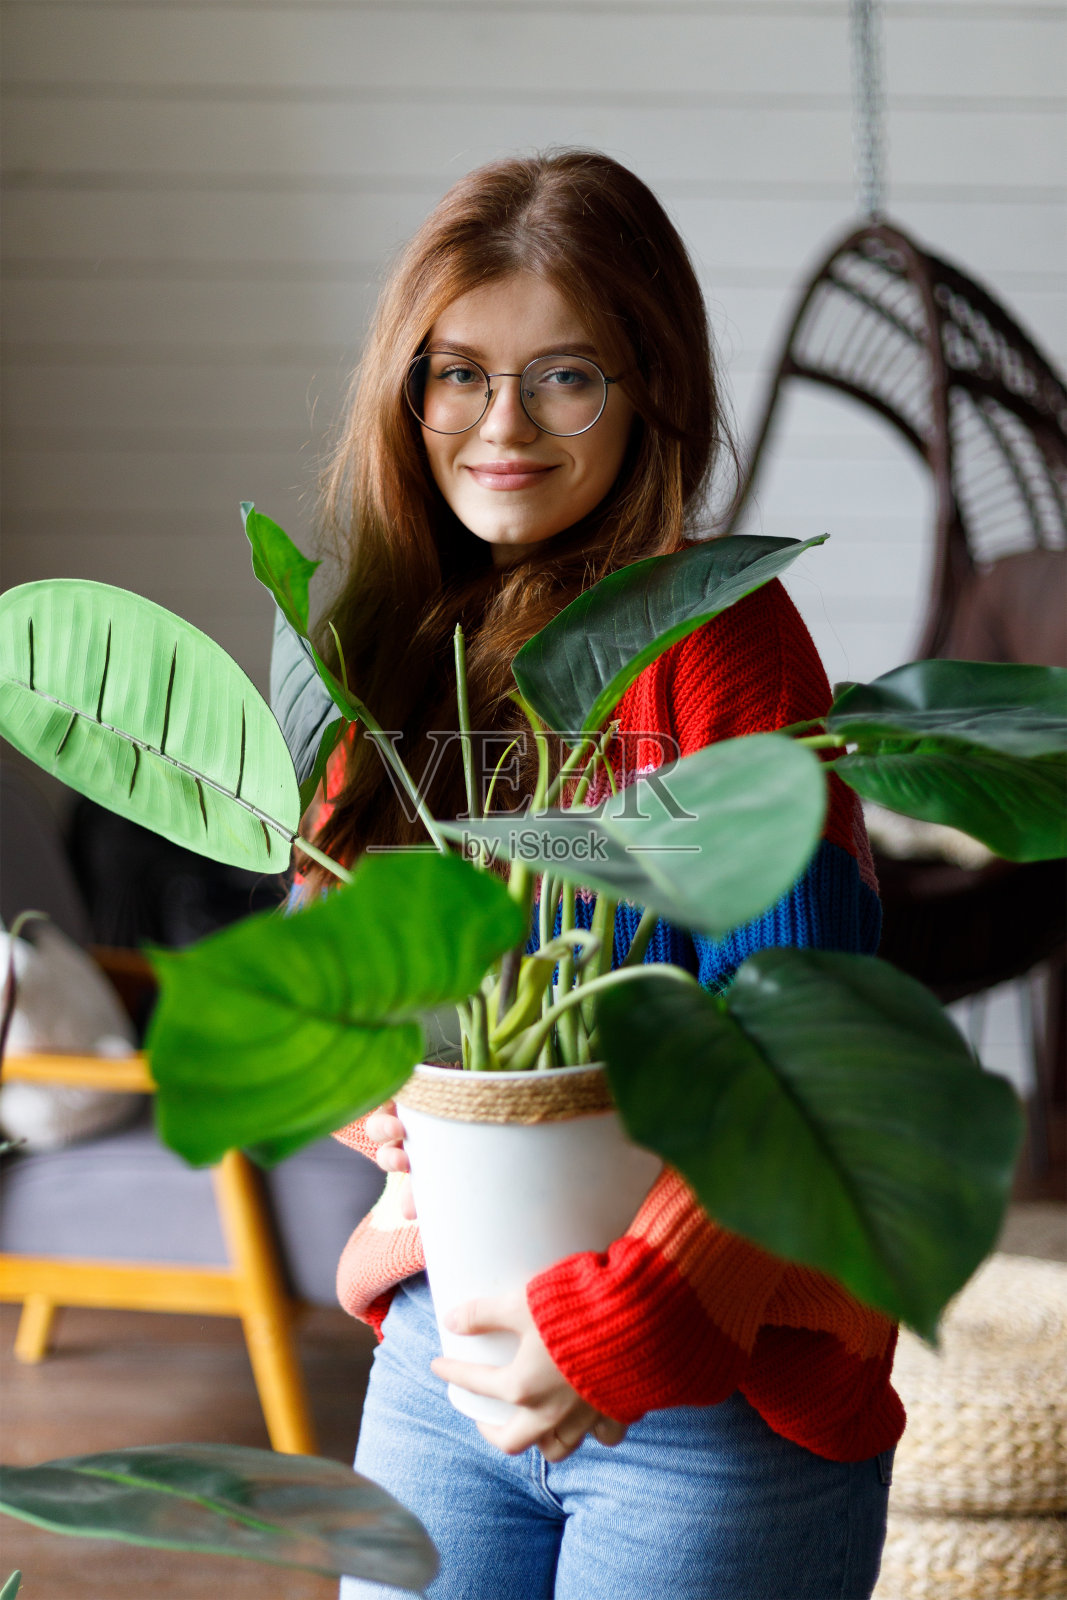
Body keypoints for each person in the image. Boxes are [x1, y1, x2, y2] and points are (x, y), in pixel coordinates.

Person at [295, 150, 903, 1600]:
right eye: (459, 374)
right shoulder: (387, 652)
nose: (501, 424)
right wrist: (383, 1101)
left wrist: (617, 1328)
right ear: (406, 391)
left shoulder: (718, 641)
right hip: (444, 1354)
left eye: (564, 377)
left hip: (716, 1393)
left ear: (651, 394)